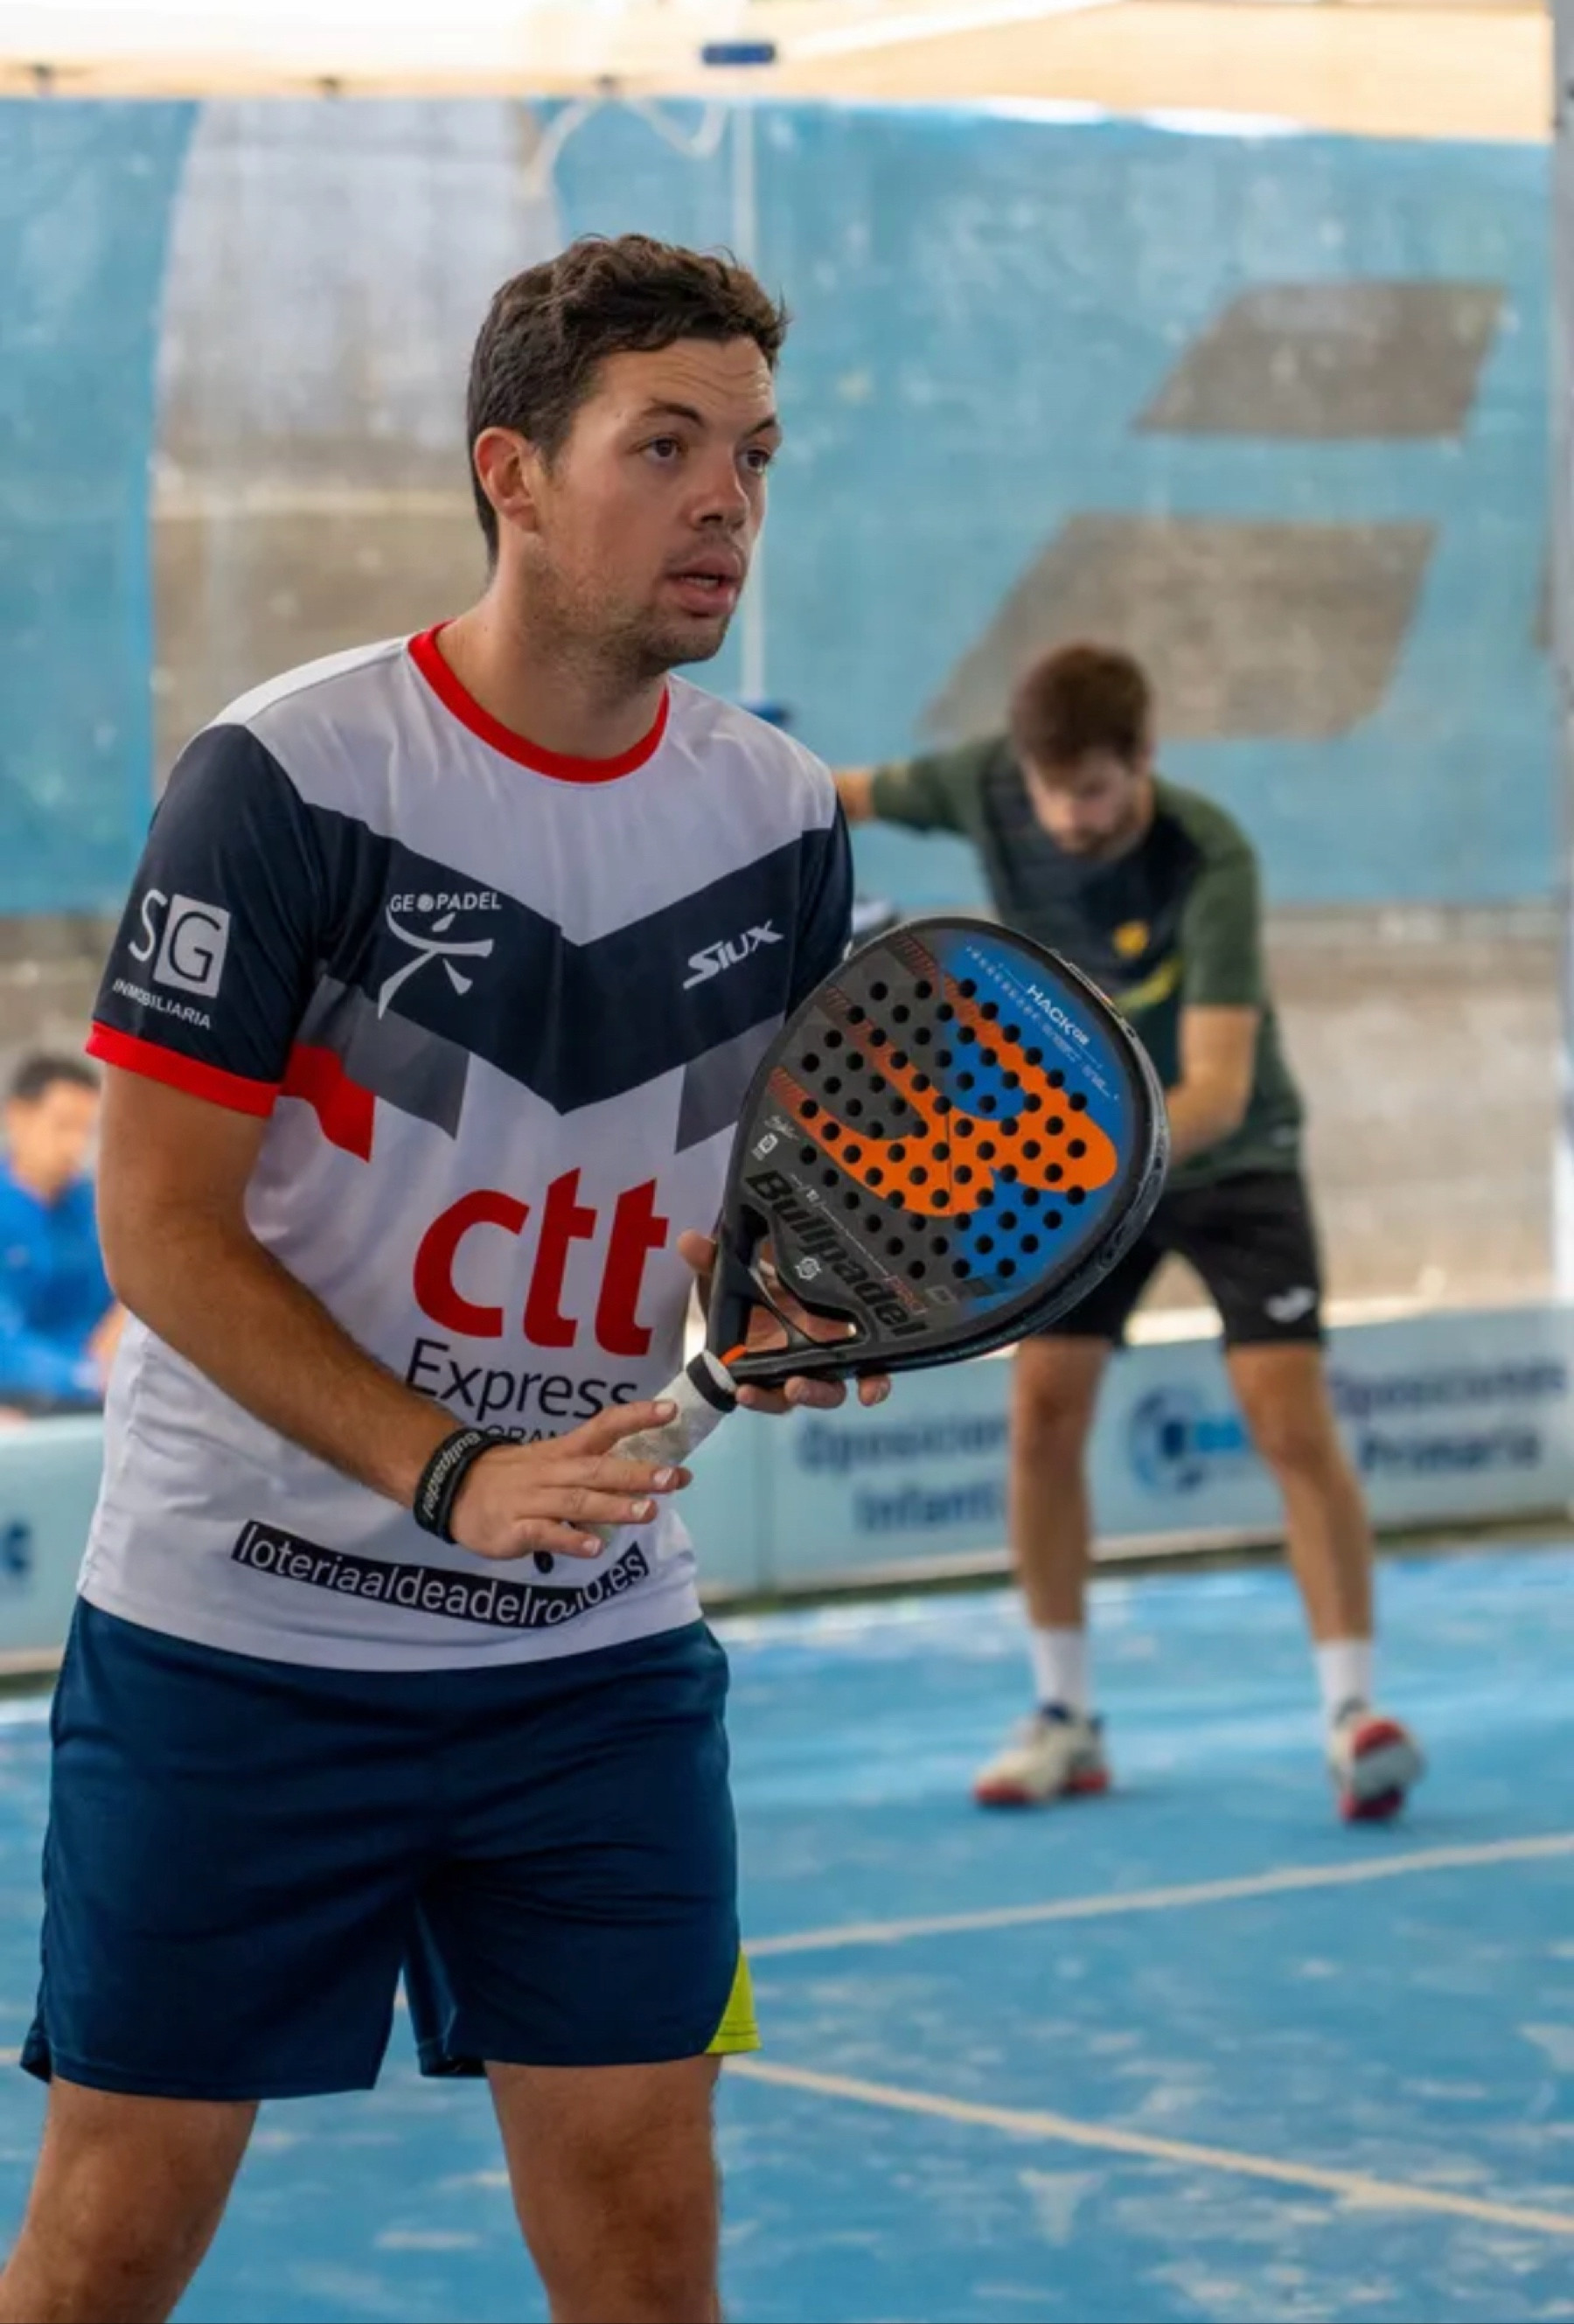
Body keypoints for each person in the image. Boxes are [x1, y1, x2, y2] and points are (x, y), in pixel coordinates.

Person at [1, 233, 887, 2324]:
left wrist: (784, 1316)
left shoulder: (778, 817)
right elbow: (163, 1226)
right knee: (113, 2239)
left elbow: (738, 1212)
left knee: (648, 2241)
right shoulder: (291, 776)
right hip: (237, 1641)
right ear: (511, 472)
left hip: (593, 1659)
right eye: (663, 446)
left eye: (754, 456)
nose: (725, 501)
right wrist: (447, 1467)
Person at [837, 643, 1423, 1825]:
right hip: (1076, 1160)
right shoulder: (983, 780)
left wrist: (1071, 1170)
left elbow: (1216, 1086)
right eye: (1052, 793)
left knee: (1285, 1417)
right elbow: (835, 794)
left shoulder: (1211, 855)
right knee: (1043, 1415)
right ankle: (1064, 1715)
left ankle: (1353, 1713)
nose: (1070, 818)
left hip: (1224, 1157)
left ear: (1144, 759)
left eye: (1096, 793)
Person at [0, 1054, 122, 1414]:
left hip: (101, 1397)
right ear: (18, 1116)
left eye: (86, 1131)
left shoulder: (95, 1209)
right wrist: (86, 1375)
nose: (75, 1146)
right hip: (21, 1402)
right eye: (63, 1126)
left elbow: (127, 1297)